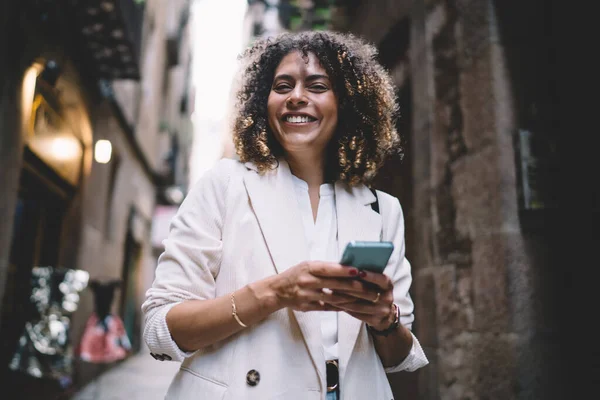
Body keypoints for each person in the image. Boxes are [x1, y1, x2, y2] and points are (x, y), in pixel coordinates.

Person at [142, 30, 428, 400]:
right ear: (264, 103)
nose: (296, 97)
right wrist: (274, 293)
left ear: (345, 102)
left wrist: (383, 320)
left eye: (317, 85)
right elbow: (159, 329)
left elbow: (398, 356)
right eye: (282, 86)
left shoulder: (382, 209)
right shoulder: (224, 185)